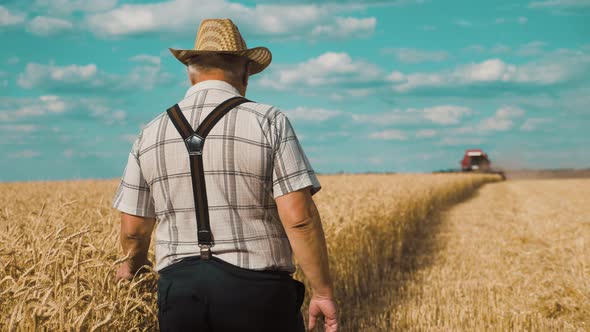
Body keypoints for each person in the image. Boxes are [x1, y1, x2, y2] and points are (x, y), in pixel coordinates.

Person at [111, 18, 338, 332]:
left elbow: (134, 230)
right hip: (258, 293)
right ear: (244, 70)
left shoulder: (150, 133)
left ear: (190, 70)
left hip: (179, 295)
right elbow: (298, 218)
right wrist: (323, 291)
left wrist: (132, 272)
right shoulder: (269, 121)